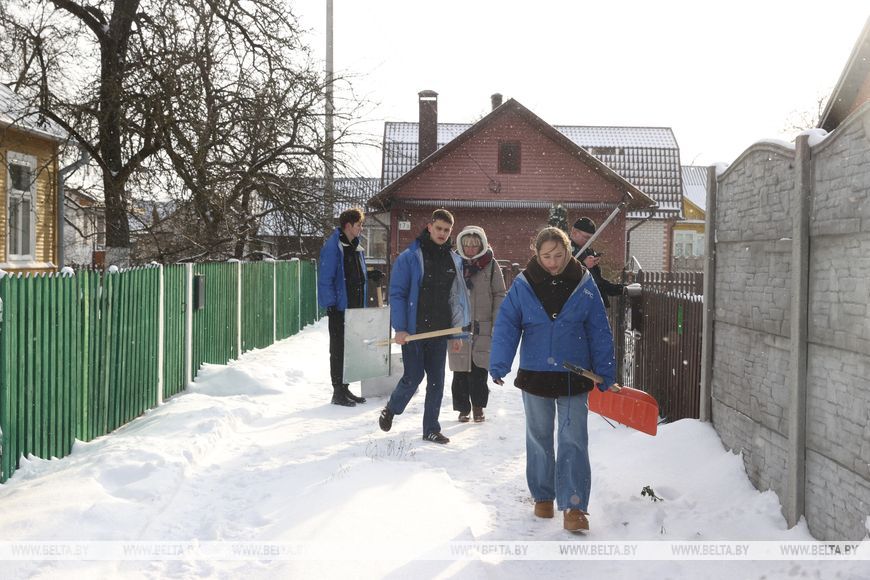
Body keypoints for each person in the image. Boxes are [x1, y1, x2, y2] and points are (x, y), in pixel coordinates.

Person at [490, 226, 620, 533]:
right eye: (546, 256)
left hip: (574, 374)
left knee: (573, 439)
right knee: (539, 437)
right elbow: (508, 324)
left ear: (568, 251)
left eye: (558, 255)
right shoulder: (523, 284)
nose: (552, 262)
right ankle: (543, 495)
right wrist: (499, 364)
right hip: (535, 373)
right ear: (536, 254)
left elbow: (599, 329)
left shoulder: (584, 283)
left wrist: (606, 371)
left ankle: (574, 505)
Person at [378, 209, 470, 444]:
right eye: (438, 228)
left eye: (447, 230)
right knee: (413, 376)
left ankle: (431, 428)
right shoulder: (410, 257)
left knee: (437, 382)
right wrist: (399, 328)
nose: (442, 233)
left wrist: (457, 332)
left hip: (440, 331)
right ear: (430, 227)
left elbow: (455, 297)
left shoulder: (452, 259)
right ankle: (391, 408)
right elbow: (397, 294)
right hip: (414, 330)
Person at [448, 226, 506, 423]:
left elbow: (499, 293)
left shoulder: (490, 264)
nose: (471, 249)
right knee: (460, 371)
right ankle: (463, 408)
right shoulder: (455, 263)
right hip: (459, 326)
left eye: (475, 245)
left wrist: (497, 318)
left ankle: (478, 406)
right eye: (467, 245)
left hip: (483, 326)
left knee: (479, 370)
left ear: (481, 244)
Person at [318, 207, 370, 407]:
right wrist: (330, 304)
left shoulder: (355, 245)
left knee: (349, 350)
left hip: (354, 308)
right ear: (348, 226)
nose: (361, 228)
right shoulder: (334, 247)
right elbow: (326, 278)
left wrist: (370, 275)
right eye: (359, 225)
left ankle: (345, 388)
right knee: (338, 350)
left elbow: (356, 271)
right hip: (340, 308)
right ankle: (337, 391)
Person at [569, 217, 626, 308]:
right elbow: (563, 276)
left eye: (591, 239)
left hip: (593, 304)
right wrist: (584, 265)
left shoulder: (588, 251)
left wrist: (620, 289)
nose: (588, 241)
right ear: (574, 232)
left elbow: (597, 281)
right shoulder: (563, 250)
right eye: (586, 237)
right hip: (576, 305)